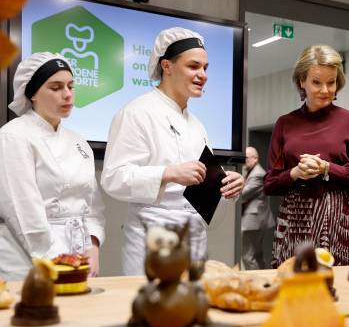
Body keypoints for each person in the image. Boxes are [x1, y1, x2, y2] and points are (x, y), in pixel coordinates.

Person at [101, 28, 244, 275]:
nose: (203, 75)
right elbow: (113, 178)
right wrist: (167, 173)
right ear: (166, 66)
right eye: (193, 66)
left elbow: (200, 180)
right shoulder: (137, 112)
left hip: (193, 234)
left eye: (205, 68)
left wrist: (227, 183)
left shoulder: (197, 124)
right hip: (153, 236)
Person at [264, 45, 349, 268]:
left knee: (344, 291)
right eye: (316, 82)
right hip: (297, 221)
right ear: (301, 82)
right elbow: (270, 184)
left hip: (341, 220)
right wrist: (295, 173)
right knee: (295, 289)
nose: (325, 90)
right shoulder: (285, 123)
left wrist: (327, 168)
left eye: (331, 82)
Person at [0, 52, 105, 280]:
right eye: (55, 87)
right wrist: (58, 263)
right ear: (33, 93)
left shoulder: (79, 142)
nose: (67, 94)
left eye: (70, 86)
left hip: (78, 255)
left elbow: (93, 205)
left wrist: (93, 246)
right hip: (27, 257)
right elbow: (23, 210)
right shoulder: (13, 136)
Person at [241, 146, 275, 270]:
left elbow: (243, 195)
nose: (244, 160)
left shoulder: (258, 174)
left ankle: (254, 283)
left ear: (255, 159)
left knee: (248, 257)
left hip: (253, 221)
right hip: (256, 220)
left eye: (246, 158)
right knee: (257, 255)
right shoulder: (252, 172)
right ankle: (263, 282)